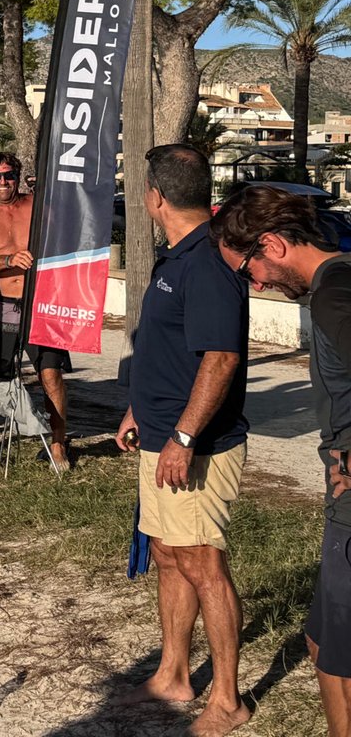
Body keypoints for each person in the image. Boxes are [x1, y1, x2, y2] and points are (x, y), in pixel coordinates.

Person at [114, 144, 249, 737]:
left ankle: (228, 700)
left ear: (156, 197)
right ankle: (173, 674)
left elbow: (220, 359)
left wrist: (185, 436)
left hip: (195, 446)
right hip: (162, 433)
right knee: (168, 554)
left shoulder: (208, 264)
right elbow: (170, 352)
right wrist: (135, 409)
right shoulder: (180, 257)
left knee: (202, 562)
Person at [211, 185, 351, 736]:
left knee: (337, 659)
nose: (257, 283)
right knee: (320, 635)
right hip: (338, 495)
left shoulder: (336, 294)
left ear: (272, 243)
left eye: (250, 268)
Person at [0, 152, 70, 469]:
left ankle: (58, 445)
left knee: (50, 374)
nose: (2, 182)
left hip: (39, 303)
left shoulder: (37, 207)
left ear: (17, 176)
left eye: (8, 175)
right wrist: (9, 261)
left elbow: (62, 242)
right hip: (1, 304)